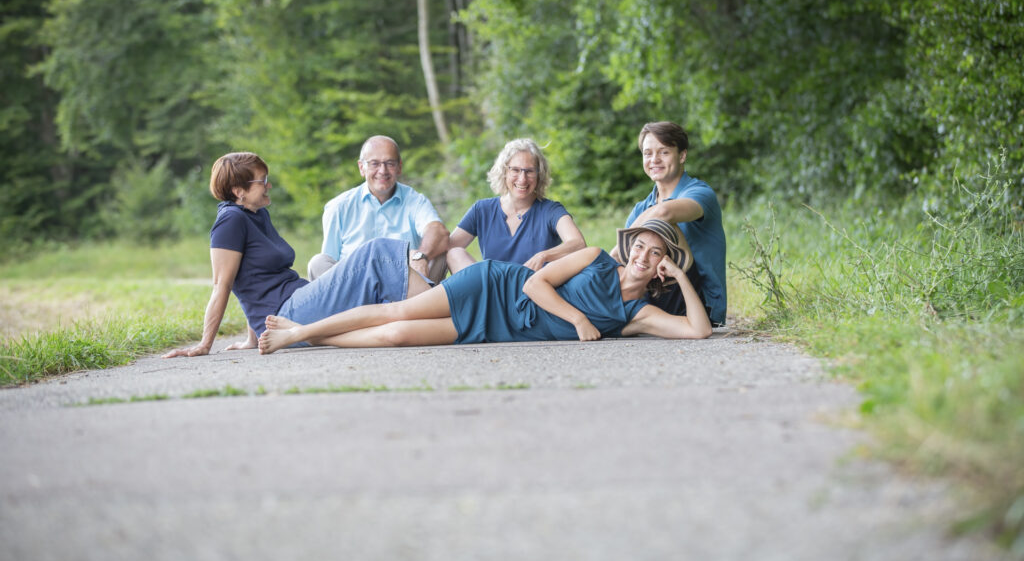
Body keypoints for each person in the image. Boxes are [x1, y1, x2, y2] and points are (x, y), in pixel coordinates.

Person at [257, 218, 712, 354]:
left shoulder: (636, 315)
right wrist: (578, 319)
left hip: (495, 329)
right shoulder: (595, 259)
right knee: (397, 312)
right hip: (495, 287)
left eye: (656, 253)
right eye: (640, 245)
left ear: (662, 265)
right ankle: (299, 333)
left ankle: (307, 335)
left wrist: (680, 277)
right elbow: (536, 286)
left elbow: (698, 330)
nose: (643, 255)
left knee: (396, 337)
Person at [162, 152, 433, 358]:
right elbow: (223, 285)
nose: (268, 185)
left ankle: (438, 309)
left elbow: (254, 278)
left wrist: (252, 338)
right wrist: (204, 344)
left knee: (377, 280)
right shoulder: (230, 221)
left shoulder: (257, 214)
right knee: (377, 252)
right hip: (286, 313)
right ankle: (441, 302)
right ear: (238, 191)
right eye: (262, 181)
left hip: (299, 299)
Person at [616, 121, 727, 326]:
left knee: (662, 227)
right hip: (652, 294)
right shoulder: (642, 208)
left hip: (698, 302)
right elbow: (623, 258)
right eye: (648, 153)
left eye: (664, 152)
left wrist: (621, 245)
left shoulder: (700, 193)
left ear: (682, 155)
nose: (654, 160)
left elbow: (664, 212)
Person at [308, 135, 450, 283]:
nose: (383, 170)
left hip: (405, 288)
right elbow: (330, 261)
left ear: (399, 167)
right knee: (318, 263)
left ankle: (424, 296)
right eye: (374, 164)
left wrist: (420, 256)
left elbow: (438, 231)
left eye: (390, 163)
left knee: (440, 252)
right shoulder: (338, 207)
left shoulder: (415, 201)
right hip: (354, 288)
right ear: (361, 168)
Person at [447, 138, 586, 274]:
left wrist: (543, 256)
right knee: (454, 253)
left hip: (532, 286)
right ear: (504, 171)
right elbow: (448, 249)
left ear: (539, 175)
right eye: (515, 170)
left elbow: (578, 243)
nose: (522, 179)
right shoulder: (482, 210)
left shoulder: (551, 210)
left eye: (529, 171)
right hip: (491, 286)